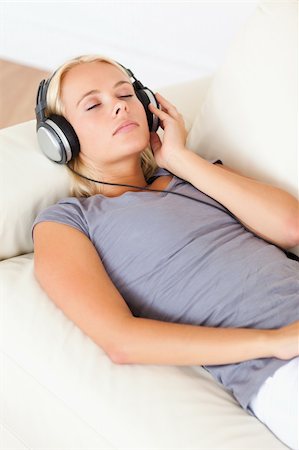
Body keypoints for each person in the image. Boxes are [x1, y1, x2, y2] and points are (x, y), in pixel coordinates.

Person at [32, 54, 299, 449]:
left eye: (126, 93)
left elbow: (290, 228)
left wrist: (180, 158)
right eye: (93, 104)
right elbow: (122, 340)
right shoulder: (68, 221)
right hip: (279, 367)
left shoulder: (195, 174)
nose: (120, 105)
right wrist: (275, 342)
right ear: (60, 139)